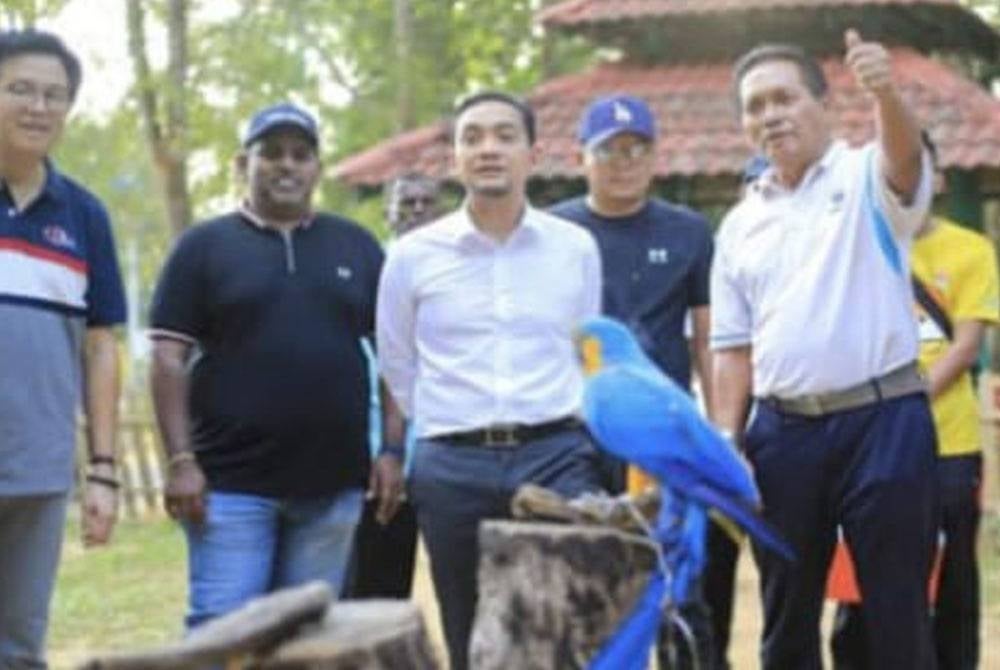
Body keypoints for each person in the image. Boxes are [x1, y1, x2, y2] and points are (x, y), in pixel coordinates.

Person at [711, 32, 937, 669]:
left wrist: (886, 92)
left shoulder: (865, 174)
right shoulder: (738, 225)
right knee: (786, 610)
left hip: (884, 419)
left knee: (895, 608)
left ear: (825, 106)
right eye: (755, 107)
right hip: (782, 434)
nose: (770, 115)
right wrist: (728, 438)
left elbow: (904, 161)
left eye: (784, 98)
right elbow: (731, 348)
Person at [148, 102, 403, 629]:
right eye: (272, 154)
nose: (287, 165)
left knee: (306, 636)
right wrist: (180, 462)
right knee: (223, 632)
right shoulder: (202, 247)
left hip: (333, 487)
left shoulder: (355, 245)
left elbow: (394, 357)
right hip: (230, 489)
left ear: (317, 168)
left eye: (301, 154)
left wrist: (393, 449)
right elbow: (168, 359)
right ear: (244, 164)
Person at [376, 91, 604, 670]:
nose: (488, 149)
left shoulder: (574, 248)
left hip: (556, 456)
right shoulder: (411, 257)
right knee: (471, 637)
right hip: (453, 467)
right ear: (454, 158)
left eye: (504, 135)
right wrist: (446, 423)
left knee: (565, 630)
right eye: (471, 137)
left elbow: (587, 351)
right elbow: (398, 362)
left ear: (533, 152)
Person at [548, 94, 720, 668]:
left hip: (663, 438)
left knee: (677, 583)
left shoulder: (690, 231)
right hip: (580, 434)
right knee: (592, 580)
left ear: (653, 156)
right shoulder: (557, 232)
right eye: (608, 150)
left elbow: (706, 338)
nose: (623, 161)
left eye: (635, 149)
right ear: (582, 157)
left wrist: (719, 428)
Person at [830, 144, 999, 670]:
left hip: (948, 444)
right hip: (866, 447)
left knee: (952, 584)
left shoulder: (969, 250)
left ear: (936, 179)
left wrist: (901, 402)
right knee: (860, 581)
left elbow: (966, 346)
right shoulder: (854, 250)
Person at [0, 29, 126, 668]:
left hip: (38, 472)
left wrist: (102, 469)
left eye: (54, 95)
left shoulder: (84, 216)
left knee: (20, 649)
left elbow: (102, 346)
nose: (38, 107)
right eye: (20, 88)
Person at [346, 172, 442, 600]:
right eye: (406, 202)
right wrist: (386, 448)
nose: (417, 211)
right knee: (380, 586)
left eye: (426, 202)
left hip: (445, 450)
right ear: (388, 211)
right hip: (379, 453)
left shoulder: (457, 274)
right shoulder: (367, 273)